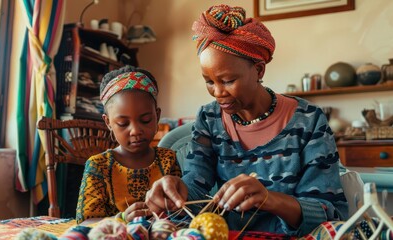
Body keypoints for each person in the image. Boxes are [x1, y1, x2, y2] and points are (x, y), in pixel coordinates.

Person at [145, 4, 348, 237]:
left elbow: (329, 213)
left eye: (228, 80)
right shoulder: (210, 118)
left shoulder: (307, 120)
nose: (218, 92)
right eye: (209, 81)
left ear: (259, 70)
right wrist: (177, 191)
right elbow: (196, 187)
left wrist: (269, 199)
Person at [76, 65, 182, 224]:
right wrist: (122, 219)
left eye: (145, 120)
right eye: (123, 123)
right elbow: (85, 222)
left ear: (157, 116)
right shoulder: (99, 166)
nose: (135, 131)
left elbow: (180, 211)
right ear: (108, 122)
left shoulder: (168, 159)